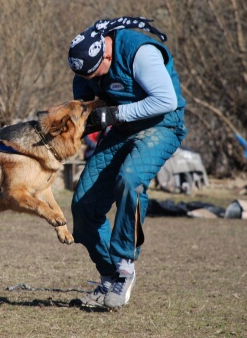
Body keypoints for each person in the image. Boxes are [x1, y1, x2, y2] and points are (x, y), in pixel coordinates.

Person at [67, 17, 187, 309]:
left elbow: (165, 100)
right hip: (123, 131)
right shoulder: (86, 67)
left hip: (161, 126)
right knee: (83, 204)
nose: (92, 81)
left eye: (97, 73)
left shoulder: (139, 53)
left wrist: (115, 115)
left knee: (130, 180)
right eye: (86, 78)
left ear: (106, 53)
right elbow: (85, 113)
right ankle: (109, 278)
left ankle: (124, 268)